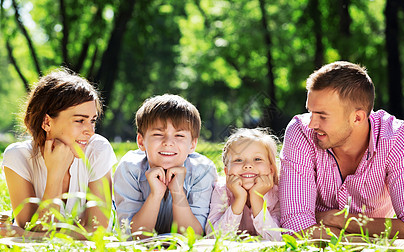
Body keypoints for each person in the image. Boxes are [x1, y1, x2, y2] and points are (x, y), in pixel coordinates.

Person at [279, 61, 404, 239]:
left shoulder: (396, 137)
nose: (312, 124)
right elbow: (295, 225)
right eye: (311, 112)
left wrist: (340, 220)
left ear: (357, 118)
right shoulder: (300, 132)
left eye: (322, 116)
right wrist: (356, 239)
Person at [2, 69, 117, 238]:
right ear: (47, 122)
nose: (90, 131)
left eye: (92, 121)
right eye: (80, 120)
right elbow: (31, 228)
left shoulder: (98, 150)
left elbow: (98, 232)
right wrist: (55, 174)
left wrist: (26, 235)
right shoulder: (18, 156)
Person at [114, 94, 217, 238]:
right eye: (158, 134)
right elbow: (134, 237)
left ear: (193, 144)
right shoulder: (129, 168)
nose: (168, 142)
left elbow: (192, 237)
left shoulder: (202, 170)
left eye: (179, 136)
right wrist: (155, 195)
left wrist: (178, 192)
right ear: (141, 141)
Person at [206, 128, 281, 241]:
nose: (248, 165)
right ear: (227, 172)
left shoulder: (277, 194)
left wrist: (257, 198)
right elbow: (214, 237)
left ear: (271, 170)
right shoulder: (221, 191)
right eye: (238, 160)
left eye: (257, 159)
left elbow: (276, 239)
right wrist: (239, 199)